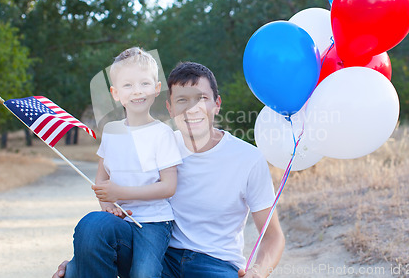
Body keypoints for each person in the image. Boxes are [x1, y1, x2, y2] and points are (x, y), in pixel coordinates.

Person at [54, 61, 285, 278]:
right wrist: (81, 264)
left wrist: (257, 271)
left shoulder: (248, 158)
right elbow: (112, 195)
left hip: (215, 263)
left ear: (217, 104)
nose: (192, 108)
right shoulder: (156, 144)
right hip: (158, 255)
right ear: (170, 108)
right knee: (93, 225)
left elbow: (273, 236)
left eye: (202, 98)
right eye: (182, 100)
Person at [63, 47, 182, 278]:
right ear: (115, 93)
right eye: (128, 85)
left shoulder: (161, 133)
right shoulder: (111, 131)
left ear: (157, 88)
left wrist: (121, 192)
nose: (137, 91)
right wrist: (106, 204)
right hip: (121, 219)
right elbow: (101, 176)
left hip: (153, 222)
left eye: (144, 83)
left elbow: (169, 186)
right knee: (86, 252)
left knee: (144, 273)